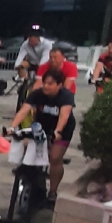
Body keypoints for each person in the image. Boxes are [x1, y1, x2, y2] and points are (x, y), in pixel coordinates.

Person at [10, 66, 75, 202]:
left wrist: (57, 131)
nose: (46, 86)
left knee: (55, 158)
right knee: (25, 144)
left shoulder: (66, 96)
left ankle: (53, 191)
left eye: (50, 84)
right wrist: (12, 127)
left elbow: (64, 116)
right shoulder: (37, 94)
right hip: (41, 126)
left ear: (59, 85)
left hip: (62, 129)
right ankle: (30, 175)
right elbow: (23, 111)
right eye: (44, 83)